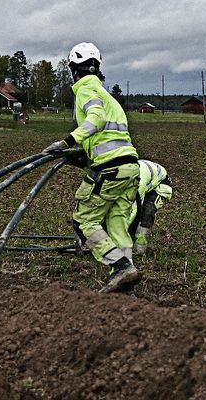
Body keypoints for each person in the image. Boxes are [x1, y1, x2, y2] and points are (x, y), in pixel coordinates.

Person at [43, 42, 142, 293]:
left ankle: (120, 267)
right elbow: (109, 140)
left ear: (74, 70)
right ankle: (126, 284)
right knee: (117, 224)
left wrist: (67, 142)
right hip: (130, 168)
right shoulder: (109, 97)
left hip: (109, 169)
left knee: (84, 219)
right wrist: (83, 158)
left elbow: (95, 120)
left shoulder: (86, 89)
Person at [131, 159, 173, 256]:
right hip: (148, 178)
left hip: (161, 184)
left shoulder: (138, 182)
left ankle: (140, 250)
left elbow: (134, 209)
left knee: (146, 212)